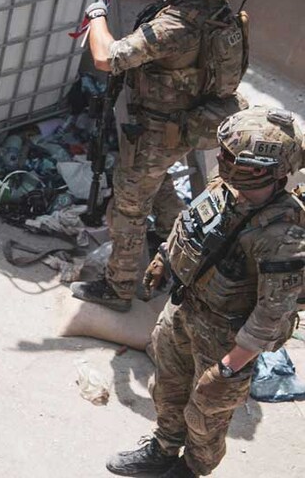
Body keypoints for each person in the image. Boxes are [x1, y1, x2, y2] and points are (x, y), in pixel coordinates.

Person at [104, 107, 305, 478]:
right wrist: (164, 256)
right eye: (224, 153)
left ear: (267, 169)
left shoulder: (283, 237)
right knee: (167, 388)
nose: (223, 161)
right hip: (185, 309)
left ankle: (192, 469)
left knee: (206, 415)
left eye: (234, 158)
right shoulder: (226, 187)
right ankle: (164, 447)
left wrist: (229, 368)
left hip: (225, 337)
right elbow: (192, 222)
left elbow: (271, 315)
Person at [71, 0, 249, 312]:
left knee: (128, 209)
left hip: (155, 131)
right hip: (190, 123)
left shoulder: (176, 26)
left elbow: (107, 57)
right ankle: (178, 252)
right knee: (161, 186)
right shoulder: (217, 9)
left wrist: (96, 16)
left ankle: (118, 288)